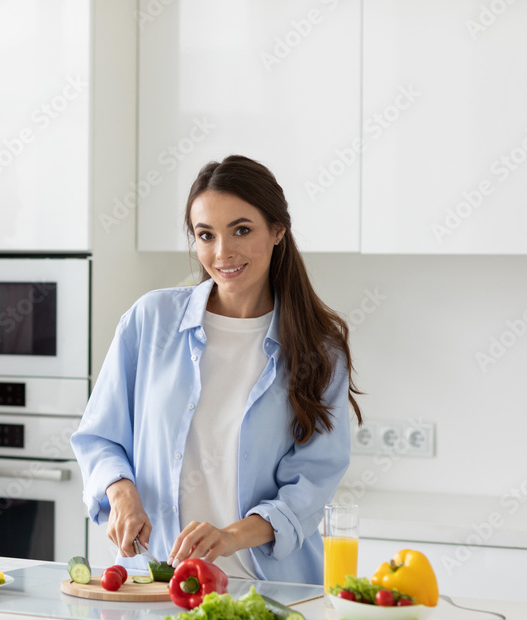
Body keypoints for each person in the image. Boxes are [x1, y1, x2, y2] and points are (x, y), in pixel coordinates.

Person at [71, 155, 361, 584]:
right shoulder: (151, 320)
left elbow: (310, 487)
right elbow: (99, 437)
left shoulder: (320, 351)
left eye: (241, 230)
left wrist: (228, 537)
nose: (222, 252)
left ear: (278, 231)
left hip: (270, 589)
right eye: (206, 235)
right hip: (156, 583)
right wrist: (121, 491)